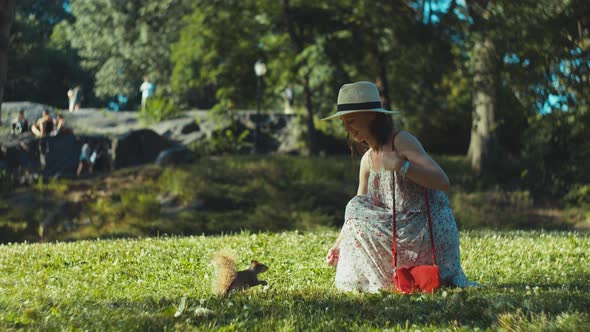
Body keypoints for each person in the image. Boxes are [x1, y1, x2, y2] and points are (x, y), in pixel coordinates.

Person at [323, 81, 477, 293]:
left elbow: (443, 182)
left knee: (355, 205)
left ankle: (410, 274)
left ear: (371, 115)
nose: (347, 128)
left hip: (424, 230)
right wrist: (339, 243)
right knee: (356, 204)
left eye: (350, 120)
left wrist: (402, 166)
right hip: (398, 230)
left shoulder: (402, 141)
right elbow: (356, 216)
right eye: (343, 122)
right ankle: (390, 280)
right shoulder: (367, 160)